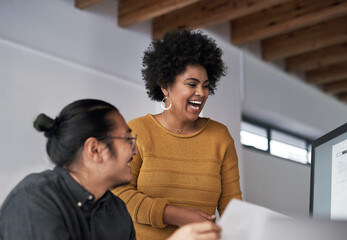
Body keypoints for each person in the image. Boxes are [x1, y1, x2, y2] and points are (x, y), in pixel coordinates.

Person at [0, 99, 221, 240]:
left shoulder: (116, 211)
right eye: (127, 139)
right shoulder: (35, 199)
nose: (135, 150)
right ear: (95, 149)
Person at [112, 30, 242, 240]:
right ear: (165, 86)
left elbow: (233, 207)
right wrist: (175, 214)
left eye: (206, 86)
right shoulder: (138, 131)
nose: (201, 92)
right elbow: (119, 194)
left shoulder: (220, 137)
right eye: (191, 84)